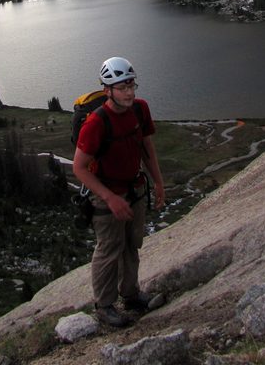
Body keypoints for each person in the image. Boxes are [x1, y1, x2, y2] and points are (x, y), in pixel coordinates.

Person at [73, 56, 165, 327]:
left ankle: (131, 295)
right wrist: (110, 198)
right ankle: (104, 305)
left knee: (132, 243)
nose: (129, 92)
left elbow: (147, 149)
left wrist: (158, 182)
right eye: (122, 87)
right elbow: (79, 168)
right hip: (106, 193)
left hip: (133, 188)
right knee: (109, 248)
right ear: (107, 91)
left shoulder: (140, 109)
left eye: (131, 86)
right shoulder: (96, 123)